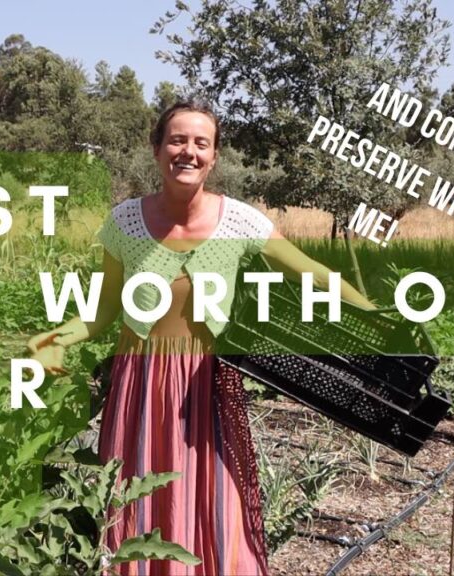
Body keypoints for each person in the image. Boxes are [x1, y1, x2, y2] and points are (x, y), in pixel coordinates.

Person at [27, 101, 374, 575]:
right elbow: (102, 311)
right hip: (140, 391)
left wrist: (376, 315)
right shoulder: (125, 222)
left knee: (214, 501)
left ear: (213, 157)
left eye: (200, 143)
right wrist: (60, 338)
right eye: (176, 140)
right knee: (137, 505)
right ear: (156, 150)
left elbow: (311, 273)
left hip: (206, 387)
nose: (187, 151)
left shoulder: (240, 222)